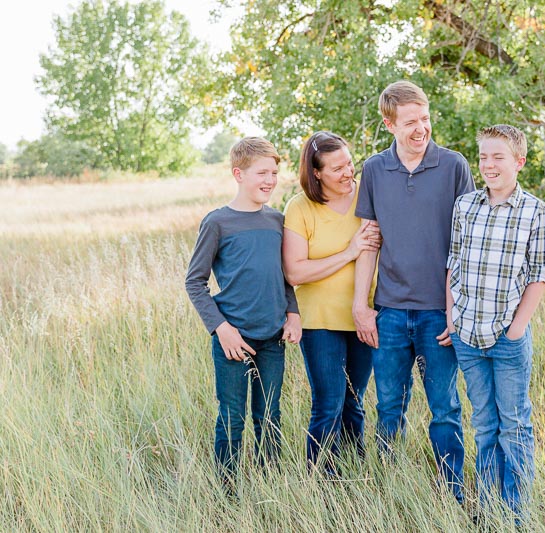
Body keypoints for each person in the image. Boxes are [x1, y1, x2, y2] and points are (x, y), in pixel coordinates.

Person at [352, 80, 475, 502]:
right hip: (388, 312)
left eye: (424, 118)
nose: (421, 128)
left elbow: (466, 245)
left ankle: (452, 494)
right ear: (389, 124)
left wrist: (456, 307)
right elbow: (369, 242)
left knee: (445, 410)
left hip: (439, 314)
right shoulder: (373, 170)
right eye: (410, 122)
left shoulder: (454, 165)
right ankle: (390, 494)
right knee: (388, 409)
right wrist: (361, 306)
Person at [445, 125, 545, 517]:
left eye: (499, 157)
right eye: (484, 157)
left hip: (508, 337)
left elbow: (540, 273)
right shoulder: (465, 206)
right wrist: (451, 318)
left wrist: (517, 328)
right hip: (468, 335)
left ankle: (515, 514)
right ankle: (489, 512)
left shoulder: (535, 211)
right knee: (485, 425)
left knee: (514, 425)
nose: (489, 165)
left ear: (519, 162)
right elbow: (453, 264)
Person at [185, 136, 301, 486]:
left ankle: (270, 485)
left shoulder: (277, 221)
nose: (270, 180)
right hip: (233, 338)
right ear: (239, 173)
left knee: (269, 415)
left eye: (275, 173)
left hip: (272, 337)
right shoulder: (218, 222)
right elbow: (194, 282)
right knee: (232, 417)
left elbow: (284, 275)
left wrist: (292, 313)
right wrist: (221, 328)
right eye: (262, 173)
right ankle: (228, 491)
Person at [282, 131, 381, 473]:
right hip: (320, 321)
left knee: (355, 401)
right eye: (337, 168)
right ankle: (322, 480)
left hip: (365, 315)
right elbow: (295, 272)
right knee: (328, 403)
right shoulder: (300, 207)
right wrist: (350, 252)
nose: (347, 173)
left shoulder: (366, 196)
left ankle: (355, 470)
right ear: (317, 173)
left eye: (349, 164)